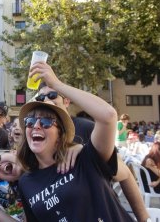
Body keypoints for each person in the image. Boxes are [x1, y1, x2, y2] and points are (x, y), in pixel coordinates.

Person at [15, 62, 135, 221]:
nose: (36, 126)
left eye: (46, 122)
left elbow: (108, 115)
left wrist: (56, 84)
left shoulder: (85, 157)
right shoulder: (25, 182)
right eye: (30, 122)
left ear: (60, 133)